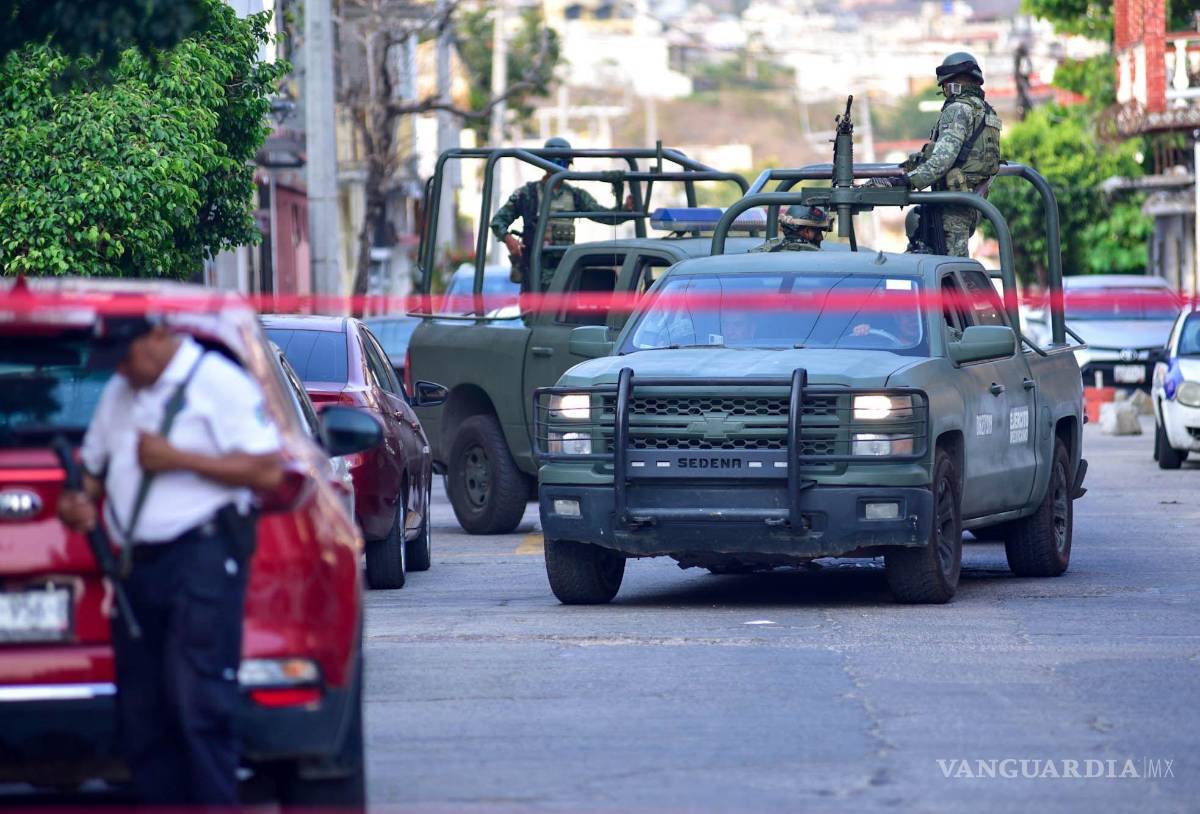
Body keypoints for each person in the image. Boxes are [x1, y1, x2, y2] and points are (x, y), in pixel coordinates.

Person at [57, 315, 284, 806]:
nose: (121, 369)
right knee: (143, 715)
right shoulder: (120, 393)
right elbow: (92, 473)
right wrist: (77, 502)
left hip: (202, 558)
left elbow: (268, 471)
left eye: (126, 356)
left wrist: (179, 459)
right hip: (136, 568)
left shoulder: (217, 382)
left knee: (198, 705)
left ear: (158, 335)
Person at [869, 52, 1001, 256]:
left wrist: (907, 181)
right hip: (972, 203)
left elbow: (942, 160)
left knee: (948, 266)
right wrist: (909, 166)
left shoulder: (958, 109)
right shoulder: (986, 111)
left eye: (945, 86)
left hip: (952, 205)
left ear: (952, 83)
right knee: (955, 264)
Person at [490, 136, 634, 289]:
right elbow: (498, 221)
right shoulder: (527, 194)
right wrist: (509, 240)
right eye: (553, 162)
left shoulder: (575, 195)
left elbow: (604, 216)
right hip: (535, 272)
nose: (557, 167)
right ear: (543, 163)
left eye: (563, 163)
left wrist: (625, 209)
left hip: (565, 271)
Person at [749, 204, 832, 252]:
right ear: (806, 231)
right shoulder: (820, 259)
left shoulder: (761, 251)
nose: (821, 238)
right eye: (818, 232)